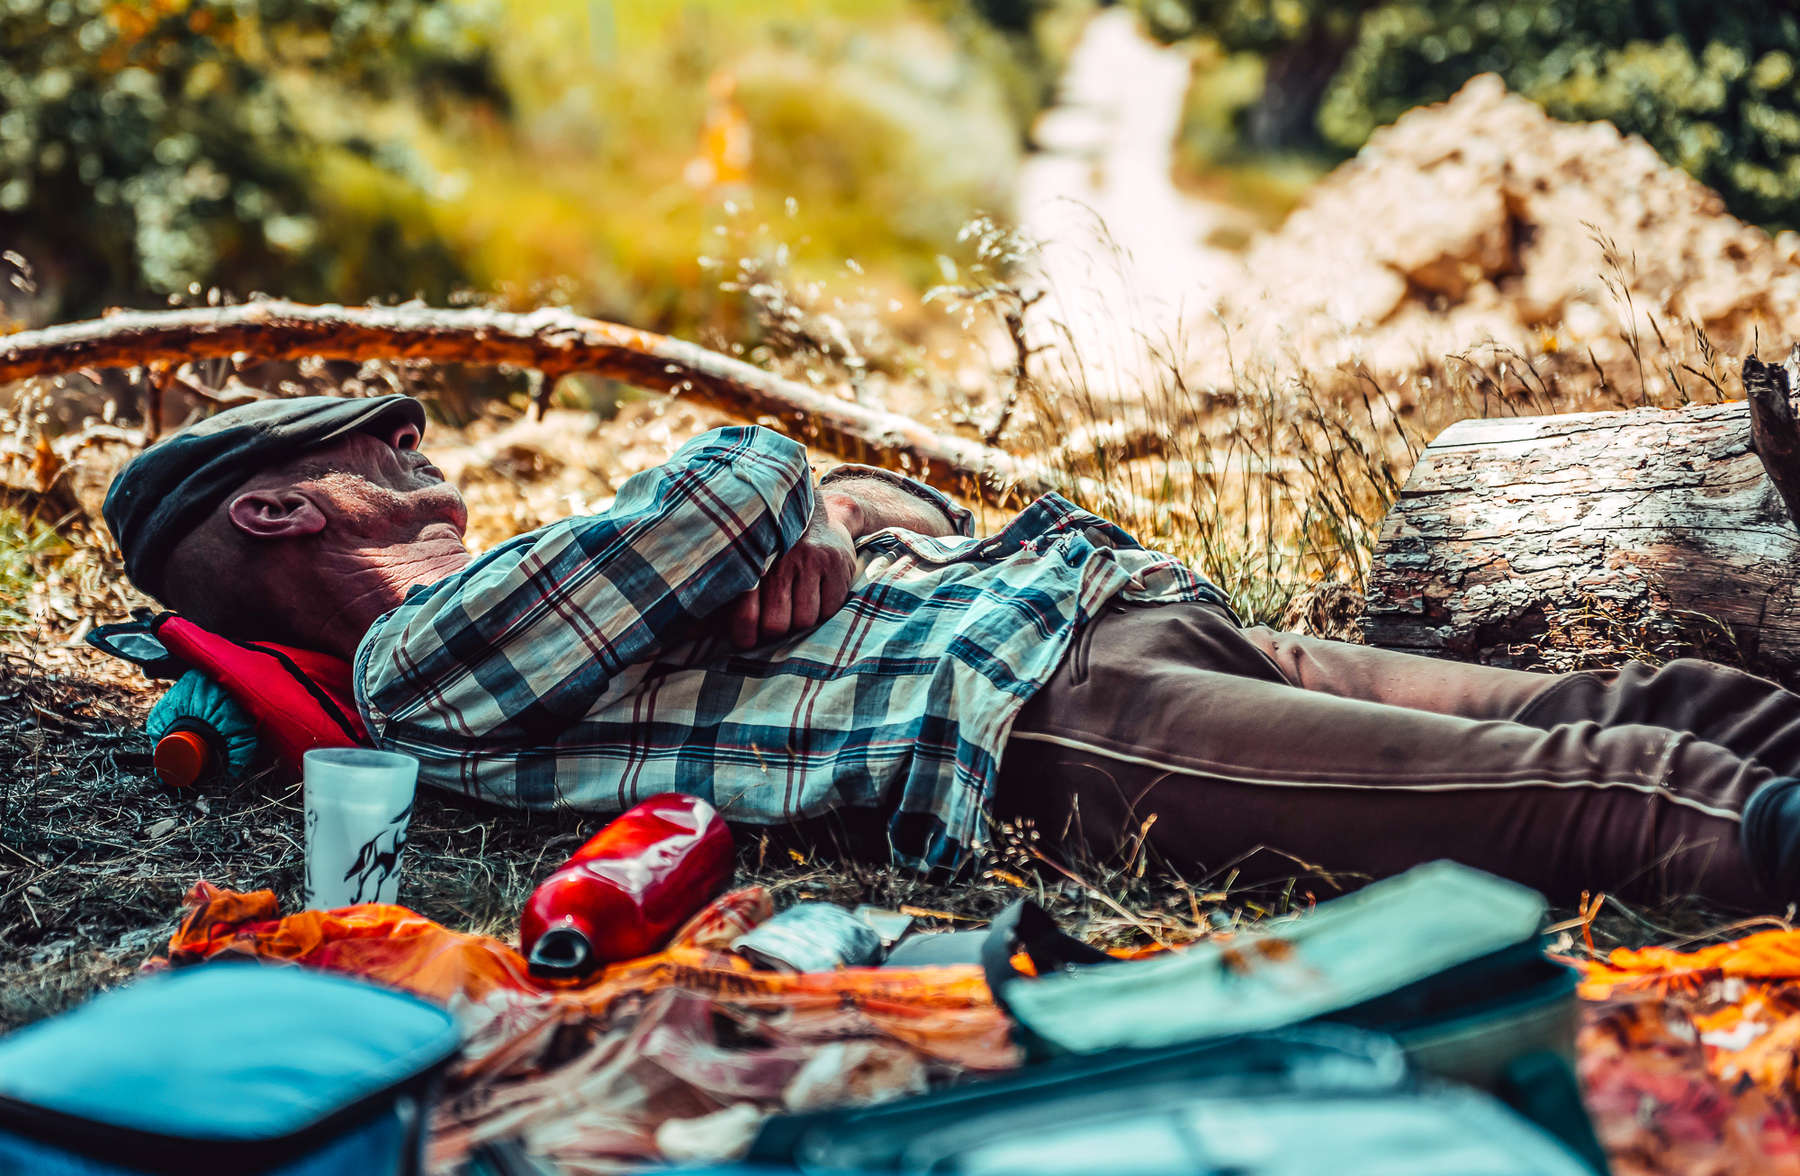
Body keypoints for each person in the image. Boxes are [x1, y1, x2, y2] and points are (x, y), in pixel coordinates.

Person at [101, 394, 1800, 907]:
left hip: (1099, 612)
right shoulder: (424, 661)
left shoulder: (532, 591)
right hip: (1043, 715)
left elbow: (825, 497)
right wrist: (800, 500)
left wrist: (835, 510)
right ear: (277, 520)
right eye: (371, 444)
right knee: (1588, 788)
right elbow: (733, 482)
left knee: (1636, 705)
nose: (416, 449)